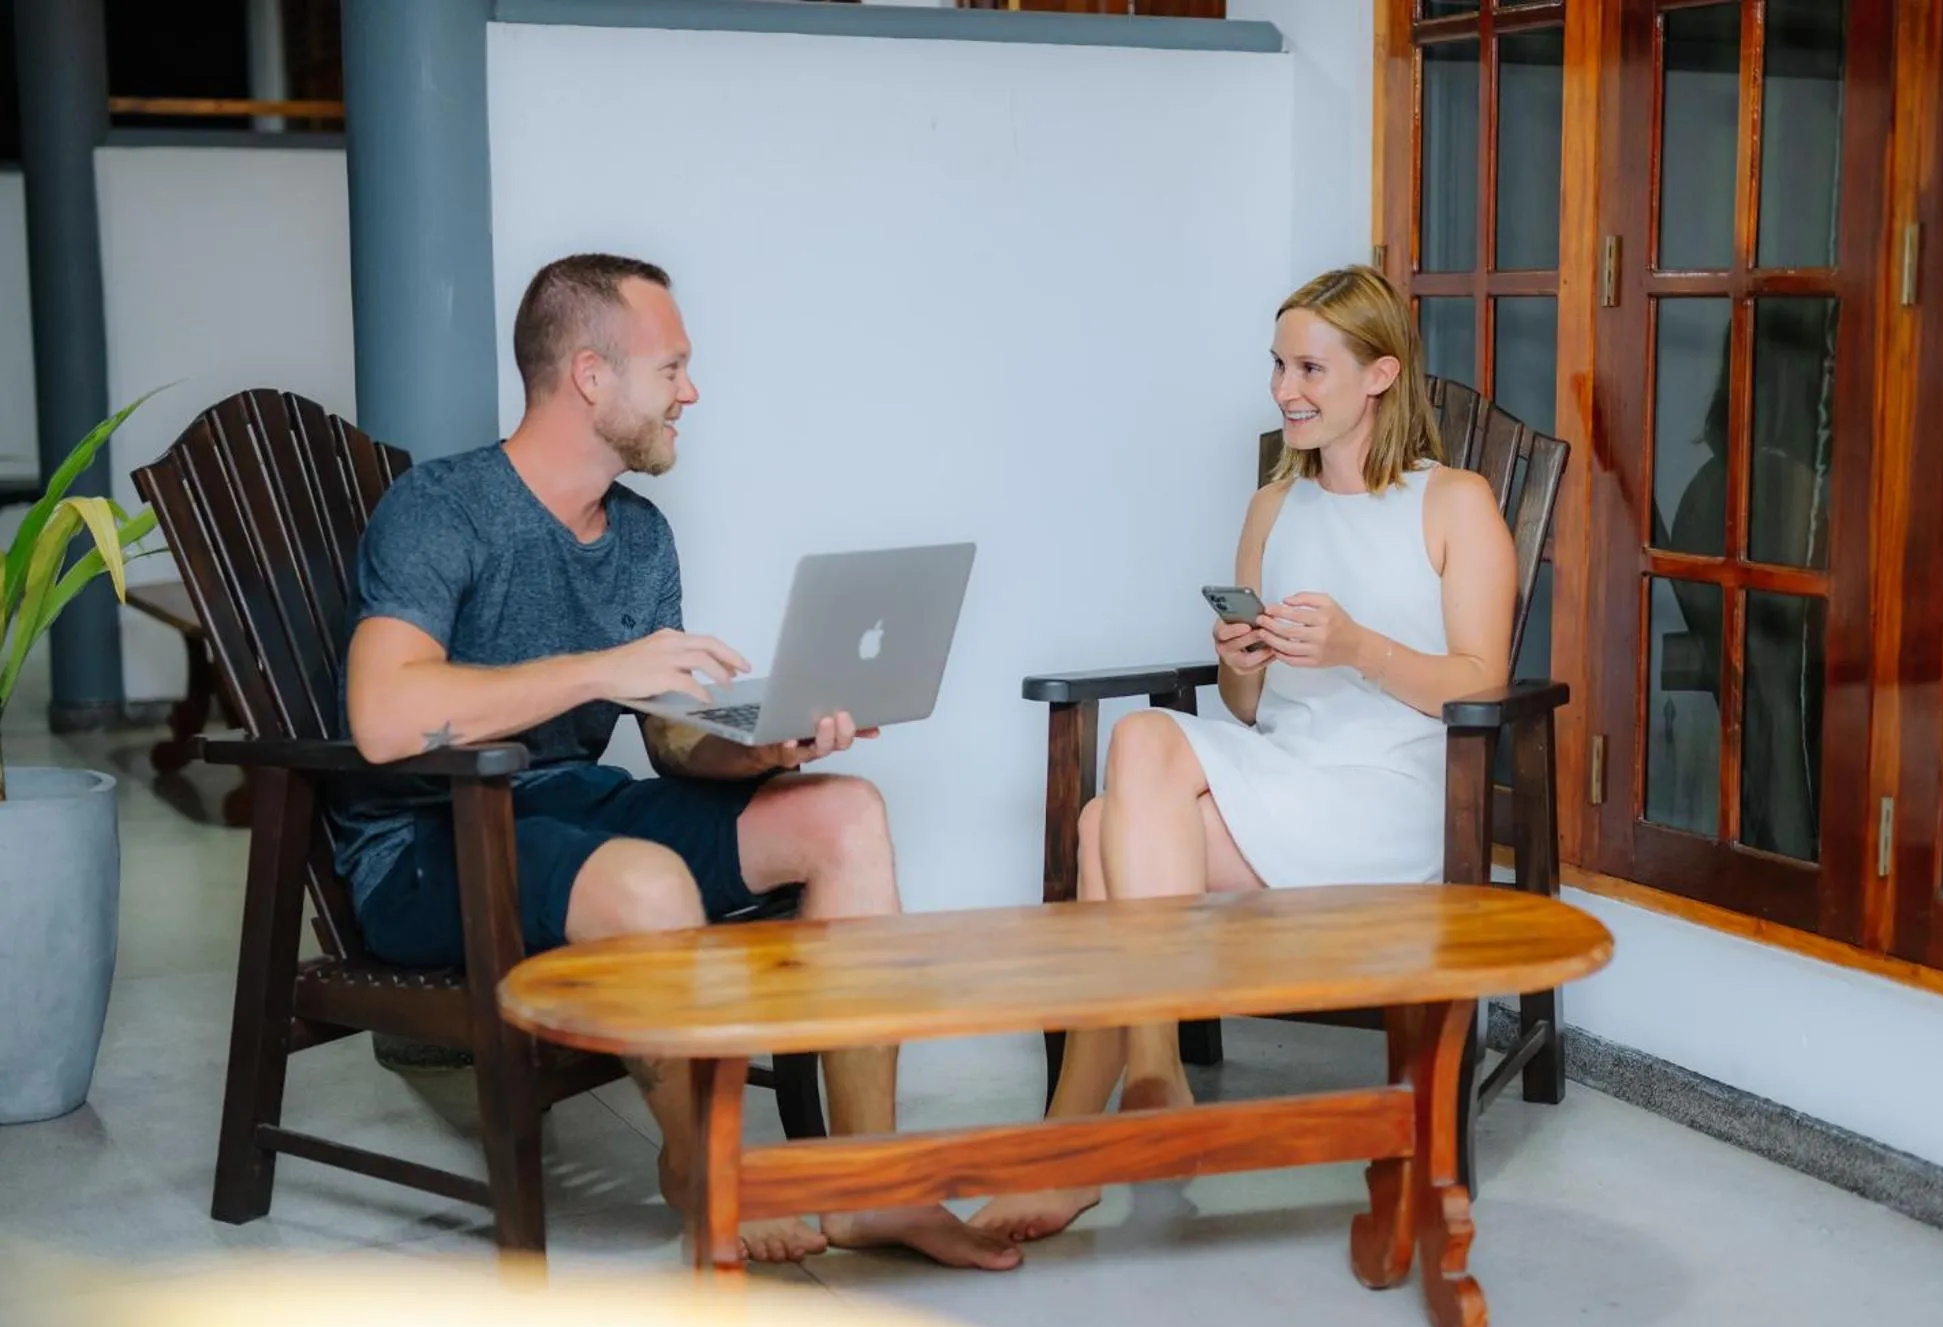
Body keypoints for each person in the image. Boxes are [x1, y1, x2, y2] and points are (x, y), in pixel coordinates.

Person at [329, 252, 1020, 1273]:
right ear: (591, 376)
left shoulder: (639, 535)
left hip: (572, 807)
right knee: (648, 882)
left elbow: (665, 738)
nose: (691, 392)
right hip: (431, 842)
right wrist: (599, 668)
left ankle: (872, 1186)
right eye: (673, 368)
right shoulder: (443, 508)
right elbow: (386, 718)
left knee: (845, 811)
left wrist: (761, 746)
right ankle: (702, 1168)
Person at [968, 264, 1517, 1243]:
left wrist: (1359, 648)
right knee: (1126, 786)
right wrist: (1244, 663)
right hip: (1289, 771)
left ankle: (1098, 1119)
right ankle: (1141, 1087)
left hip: (1393, 791)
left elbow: (1480, 683)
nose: (1282, 389)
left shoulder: (1454, 503)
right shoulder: (1274, 507)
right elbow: (1246, 708)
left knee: (1109, 818)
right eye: (1276, 364)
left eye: (1309, 367)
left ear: (1380, 374)